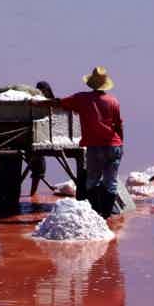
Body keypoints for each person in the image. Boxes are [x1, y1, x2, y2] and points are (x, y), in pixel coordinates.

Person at [32, 67, 124, 218]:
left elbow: (58, 103)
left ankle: (96, 214)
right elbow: (119, 125)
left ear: (91, 84)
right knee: (111, 182)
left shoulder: (81, 98)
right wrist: (121, 145)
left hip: (95, 147)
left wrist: (37, 103)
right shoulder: (113, 101)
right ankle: (106, 216)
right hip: (114, 145)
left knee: (92, 181)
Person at [28, 80, 55, 196]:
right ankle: (31, 194)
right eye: (40, 90)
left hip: (42, 136)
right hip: (34, 136)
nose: (42, 93)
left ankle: (32, 193)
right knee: (38, 166)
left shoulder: (51, 102)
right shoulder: (34, 100)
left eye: (43, 90)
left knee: (38, 167)